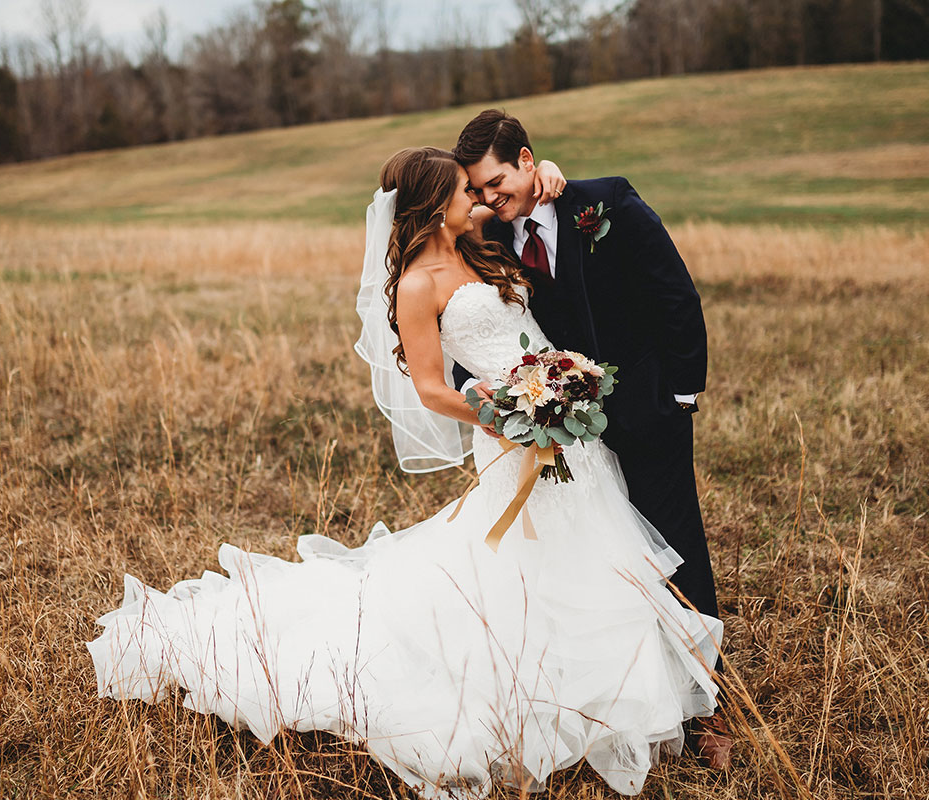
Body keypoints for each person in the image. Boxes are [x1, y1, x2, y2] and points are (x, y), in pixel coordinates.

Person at [88, 147, 722, 798]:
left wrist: (551, 175)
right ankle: (534, 682)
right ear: (430, 204)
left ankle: (619, 678)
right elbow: (429, 387)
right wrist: (505, 415)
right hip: (509, 434)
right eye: (461, 190)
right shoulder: (418, 284)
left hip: (562, 417)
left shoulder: (481, 241)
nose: (476, 197)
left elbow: (532, 208)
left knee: (592, 539)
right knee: (528, 559)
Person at [452, 109, 730, 768]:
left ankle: (709, 708)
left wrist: (682, 392)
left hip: (648, 412)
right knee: (607, 555)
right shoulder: (487, 237)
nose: (492, 198)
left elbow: (675, 295)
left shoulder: (606, 203)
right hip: (565, 432)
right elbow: (476, 325)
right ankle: (634, 695)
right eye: (480, 190)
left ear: (527, 159)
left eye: (499, 181)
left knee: (677, 547)